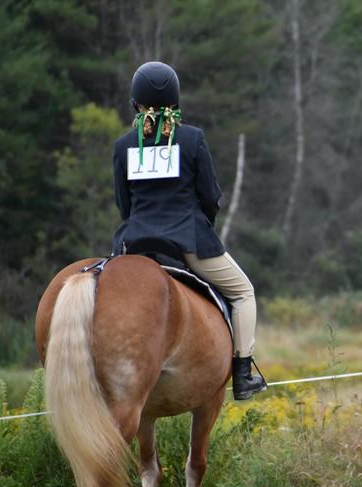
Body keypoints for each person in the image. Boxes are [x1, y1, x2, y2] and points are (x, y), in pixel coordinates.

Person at [112, 61, 266, 399]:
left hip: (135, 245)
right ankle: (242, 375)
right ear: (175, 102)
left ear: (135, 103)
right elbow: (210, 196)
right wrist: (202, 226)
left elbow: (124, 206)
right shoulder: (192, 139)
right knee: (243, 292)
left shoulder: (124, 147)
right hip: (187, 243)